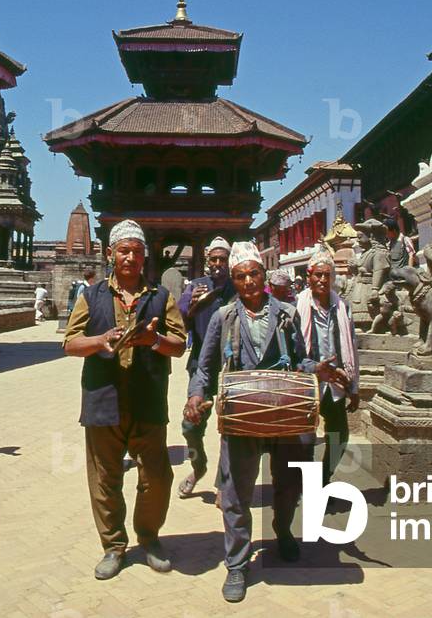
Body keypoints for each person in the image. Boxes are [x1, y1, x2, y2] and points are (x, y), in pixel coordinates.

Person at [183, 241, 345, 603]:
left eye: (254, 273)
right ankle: (237, 564)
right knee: (236, 492)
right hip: (242, 415)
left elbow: (301, 361)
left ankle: (282, 531)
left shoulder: (287, 313)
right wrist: (196, 395)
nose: (248, 281)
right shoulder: (223, 317)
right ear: (236, 282)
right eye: (241, 276)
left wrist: (315, 368)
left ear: (263, 276)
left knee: (288, 484)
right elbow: (206, 367)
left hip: (283, 412)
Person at [63, 219, 186, 581]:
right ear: (110, 255)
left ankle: (148, 537)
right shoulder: (91, 296)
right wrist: (100, 341)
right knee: (105, 480)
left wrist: (155, 341)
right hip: (103, 400)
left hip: (148, 399)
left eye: (136, 250)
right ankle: (114, 546)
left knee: (157, 478)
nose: (130, 257)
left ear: (145, 255)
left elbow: (179, 346)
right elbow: (70, 342)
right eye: (123, 251)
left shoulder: (161, 297)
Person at [175, 236, 234, 498]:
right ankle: (198, 467)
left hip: (234, 369)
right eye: (214, 259)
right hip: (202, 365)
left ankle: (224, 483)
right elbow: (178, 323)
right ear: (207, 261)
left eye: (223, 259)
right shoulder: (196, 286)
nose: (218, 264)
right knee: (191, 426)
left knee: (231, 429)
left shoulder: (239, 287)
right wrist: (190, 304)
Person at [296, 250, 361, 486]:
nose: (323, 280)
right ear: (309, 276)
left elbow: (351, 346)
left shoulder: (342, 308)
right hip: (306, 381)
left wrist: (354, 386)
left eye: (327, 275)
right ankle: (301, 483)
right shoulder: (297, 307)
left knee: (339, 437)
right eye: (318, 275)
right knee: (303, 440)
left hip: (334, 382)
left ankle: (323, 480)